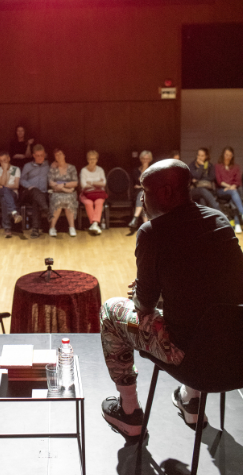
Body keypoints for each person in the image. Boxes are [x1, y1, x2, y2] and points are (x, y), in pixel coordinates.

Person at [100, 159, 243, 437]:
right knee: (201, 315)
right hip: (235, 351)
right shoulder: (218, 220)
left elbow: (143, 306)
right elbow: (224, 287)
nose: (142, 197)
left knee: (111, 311)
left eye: (146, 190)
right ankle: (192, 401)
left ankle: (129, 413)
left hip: (189, 358)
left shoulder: (153, 233)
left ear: (166, 191)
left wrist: (143, 292)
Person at [20, 144, 50, 239]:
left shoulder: (48, 165)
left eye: (42, 155)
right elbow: (22, 180)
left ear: (45, 155)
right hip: (29, 192)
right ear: (33, 155)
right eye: (38, 155)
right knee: (35, 192)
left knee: (36, 200)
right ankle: (46, 209)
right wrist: (29, 186)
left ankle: (35, 229)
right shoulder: (27, 166)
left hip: (43, 194)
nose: (40, 157)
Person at [48, 149, 78, 237]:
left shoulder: (71, 168)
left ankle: (72, 227)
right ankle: (52, 227)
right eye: (56, 155)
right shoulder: (53, 168)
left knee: (69, 199)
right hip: (56, 192)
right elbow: (51, 183)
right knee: (58, 199)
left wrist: (63, 185)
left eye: (60, 154)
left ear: (64, 155)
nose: (59, 156)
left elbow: (75, 183)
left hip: (70, 193)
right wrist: (66, 189)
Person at [0, 152, 22, 238]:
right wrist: (5, 170)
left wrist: (3, 186)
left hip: (12, 194)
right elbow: (2, 182)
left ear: (9, 158)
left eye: (5, 160)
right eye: (1, 161)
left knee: (4, 199)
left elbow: (16, 185)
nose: (3, 163)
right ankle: (14, 212)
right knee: (4, 191)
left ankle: (7, 227)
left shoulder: (15, 169)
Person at [215, 147, 243, 235]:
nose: (228, 157)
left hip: (232, 191)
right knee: (235, 193)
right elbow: (219, 181)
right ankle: (242, 213)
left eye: (230, 155)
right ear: (223, 155)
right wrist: (229, 186)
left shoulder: (236, 167)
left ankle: (237, 223)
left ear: (232, 156)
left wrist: (232, 186)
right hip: (221, 190)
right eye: (226, 155)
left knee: (233, 197)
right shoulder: (218, 166)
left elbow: (238, 181)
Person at [79, 150, 107, 235]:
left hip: (98, 194)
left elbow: (103, 184)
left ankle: (94, 224)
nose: (92, 161)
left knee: (99, 202)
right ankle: (95, 225)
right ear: (87, 159)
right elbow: (83, 185)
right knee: (88, 203)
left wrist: (90, 182)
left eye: (94, 159)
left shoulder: (100, 170)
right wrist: (97, 182)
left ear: (97, 160)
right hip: (86, 194)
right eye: (90, 159)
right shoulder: (84, 170)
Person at [128, 151, 153, 230]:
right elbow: (140, 180)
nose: (145, 160)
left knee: (144, 196)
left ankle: (135, 218)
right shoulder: (136, 170)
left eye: (147, 159)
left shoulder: (153, 169)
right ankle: (146, 224)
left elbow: (151, 182)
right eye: (143, 159)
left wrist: (141, 186)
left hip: (150, 192)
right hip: (138, 193)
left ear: (150, 159)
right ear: (140, 159)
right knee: (143, 196)